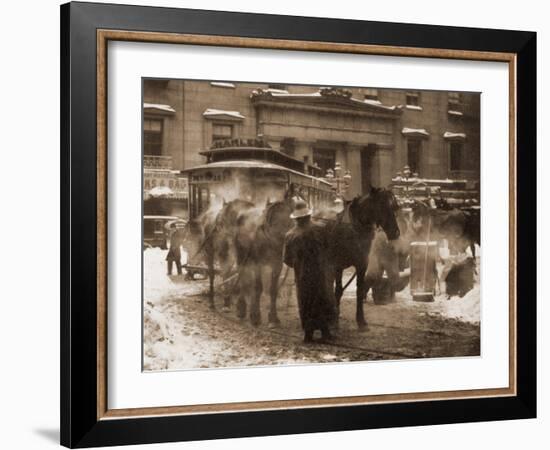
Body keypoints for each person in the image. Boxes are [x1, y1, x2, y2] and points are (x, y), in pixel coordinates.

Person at [283, 199, 336, 343]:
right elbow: (328, 247)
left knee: (305, 301)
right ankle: (325, 332)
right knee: (321, 299)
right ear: (307, 216)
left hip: (301, 276)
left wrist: (299, 265)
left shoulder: (290, 235)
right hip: (319, 273)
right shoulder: (319, 229)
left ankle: (308, 334)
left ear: (296, 219)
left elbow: (287, 260)